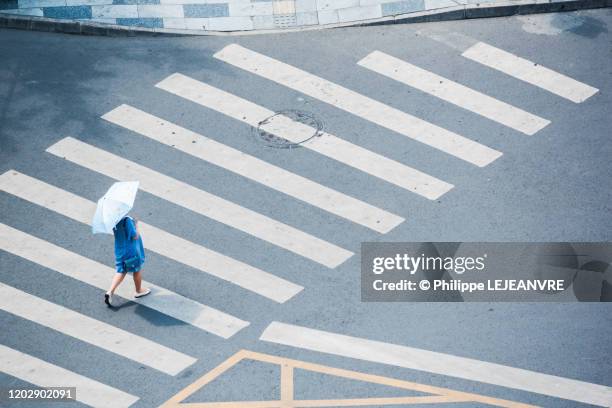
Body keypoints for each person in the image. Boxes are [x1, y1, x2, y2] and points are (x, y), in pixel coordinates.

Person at [105, 215, 150, 306]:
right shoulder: (127, 220)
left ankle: (110, 292)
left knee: (121, 270)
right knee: (136, 270)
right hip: (130, 250)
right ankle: (139, 290)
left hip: (119, 249)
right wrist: (136, 225)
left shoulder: (113, 220)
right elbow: (134, 236)